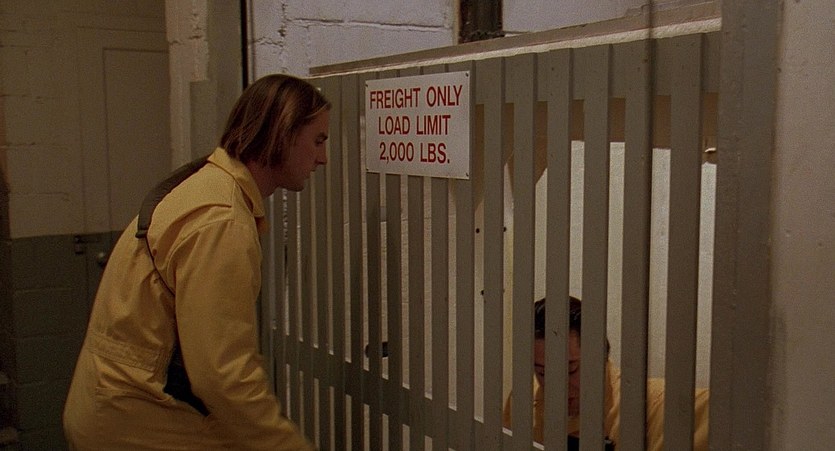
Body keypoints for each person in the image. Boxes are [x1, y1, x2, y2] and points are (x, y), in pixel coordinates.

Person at [63, 74, 330, 450]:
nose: (323, 157)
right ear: (282, 134)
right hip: (132, 416)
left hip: (111, 404)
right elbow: (223, 376)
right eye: (318, 140)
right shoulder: (222, 220)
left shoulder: (207, 183)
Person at [503, 297, 710, 450]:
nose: (557, 388)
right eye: (542, 373)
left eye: (571, 370)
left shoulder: (653, 404)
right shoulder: (523, 400)